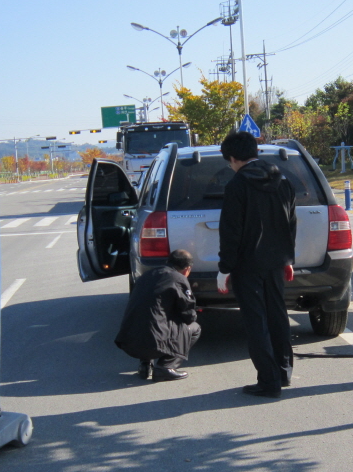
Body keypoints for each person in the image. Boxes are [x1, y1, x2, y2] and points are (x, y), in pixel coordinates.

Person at [217, 130, 297, 399]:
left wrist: (224, 268)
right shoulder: (282, 179)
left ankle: (268, 381)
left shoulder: (237, 186)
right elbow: (290, 222)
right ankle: (284, 371)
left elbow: (231, 232)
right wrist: (288, 258)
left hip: (247, 264)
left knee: (256, 321)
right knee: (278, 314)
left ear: (233, 158)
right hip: (276, 261)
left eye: (229, 161)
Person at [115, 249, 201, 382]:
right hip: (152, 344)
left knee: (150, 317)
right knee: (194, 328)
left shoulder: (146, 275)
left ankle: (145, 364)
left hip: (128, 342)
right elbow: (188, 316)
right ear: (187, 269)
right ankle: (165, 367)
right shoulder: (178, 278)